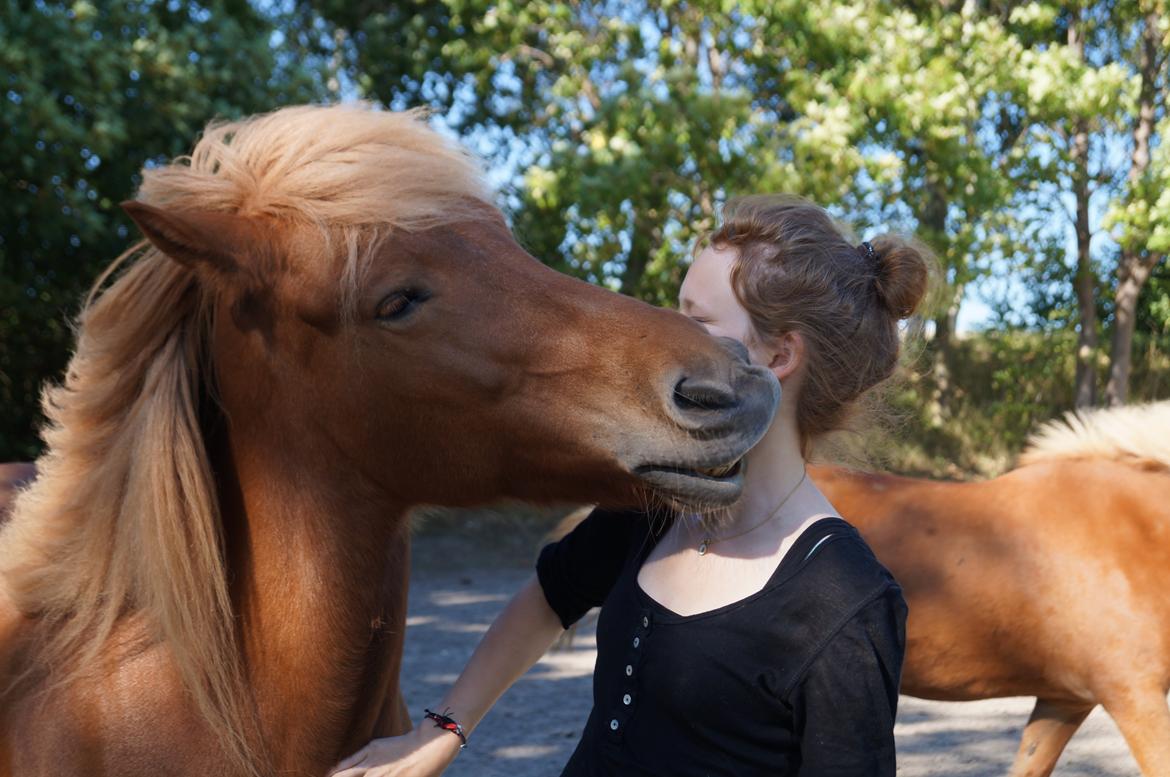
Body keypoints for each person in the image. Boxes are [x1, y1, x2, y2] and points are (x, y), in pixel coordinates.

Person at [329, 194, 933, 777]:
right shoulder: (658, 501)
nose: (665, 332)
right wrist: (445, 731)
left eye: (696, 319)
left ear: (778, 356)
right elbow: (548, 597)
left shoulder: (846, 600)